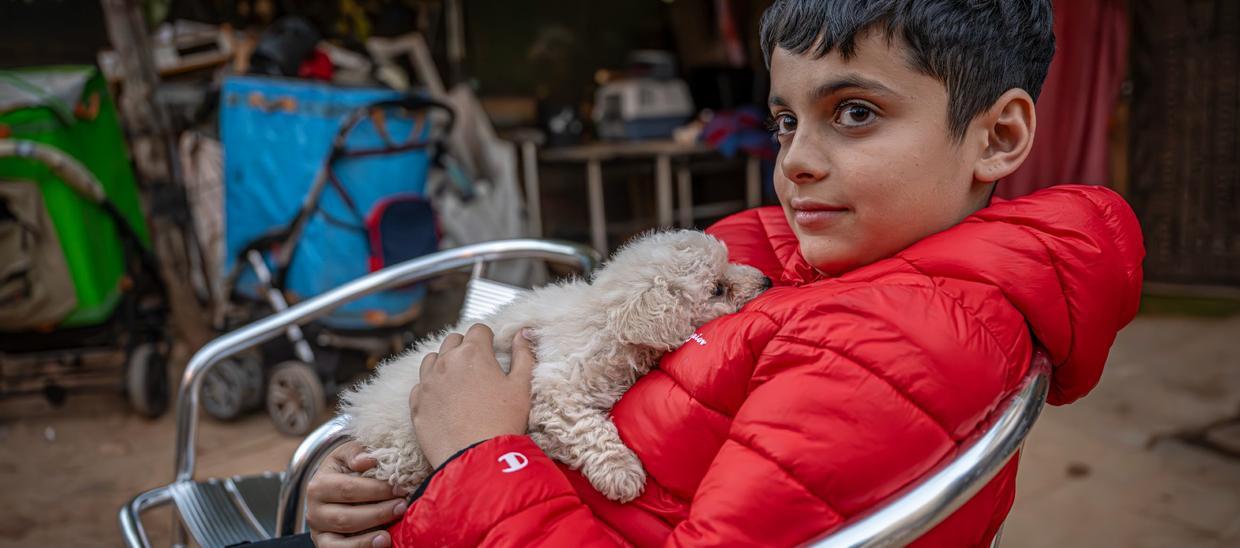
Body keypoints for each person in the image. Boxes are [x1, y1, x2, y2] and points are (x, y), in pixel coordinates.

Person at [303, 1, 1144, 546]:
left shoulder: (891, 348)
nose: (796, 163)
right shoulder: (805, 255)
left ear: (997, 138)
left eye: (855, 113)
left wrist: (476, 456)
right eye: (786, 119)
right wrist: (389, 453)